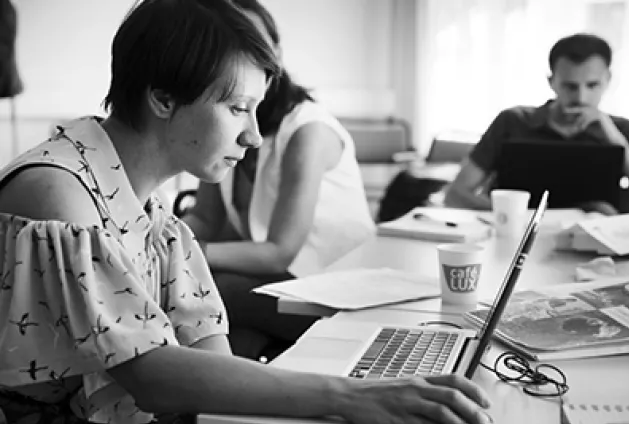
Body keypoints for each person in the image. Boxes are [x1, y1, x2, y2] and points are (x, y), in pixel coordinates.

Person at [0, 1, 492, 423]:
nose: (254, 136)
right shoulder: (57, 195)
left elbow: (208, 357)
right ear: (163, 99)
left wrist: (363, 393)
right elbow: (153, 376)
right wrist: (354, 396)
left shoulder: (149, 205)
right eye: (238, 108)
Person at [181, 0, 375, 358]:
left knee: (211, 289)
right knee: (232, 329)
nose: (245, 58)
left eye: (254, 44)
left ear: (277, 51)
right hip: (285, 286)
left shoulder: (308, 130)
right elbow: (206, 219)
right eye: (230, 47)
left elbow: (278, 252)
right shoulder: (226, 122)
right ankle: (224, 405)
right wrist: (158, 234)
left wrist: (178, 251)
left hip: (338, 294)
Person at [444, 33, 629, 215]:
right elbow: (456, 194)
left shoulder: (623, 130)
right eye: (570, 86)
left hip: (597, 244)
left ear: (608, 80)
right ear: (552, 82)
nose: (581, 97)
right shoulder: (512, 121)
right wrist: (513, 215)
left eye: (592, 85)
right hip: (515, 239)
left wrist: (617, 140)